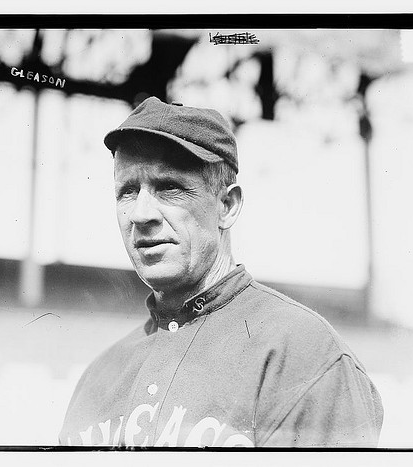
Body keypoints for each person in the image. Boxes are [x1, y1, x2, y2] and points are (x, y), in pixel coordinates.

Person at [59, 97, 384, 448]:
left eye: (169, 187)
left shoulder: (302, 354)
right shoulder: (98, 377)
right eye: (128, 191)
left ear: (226, 206)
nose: (141, 214)